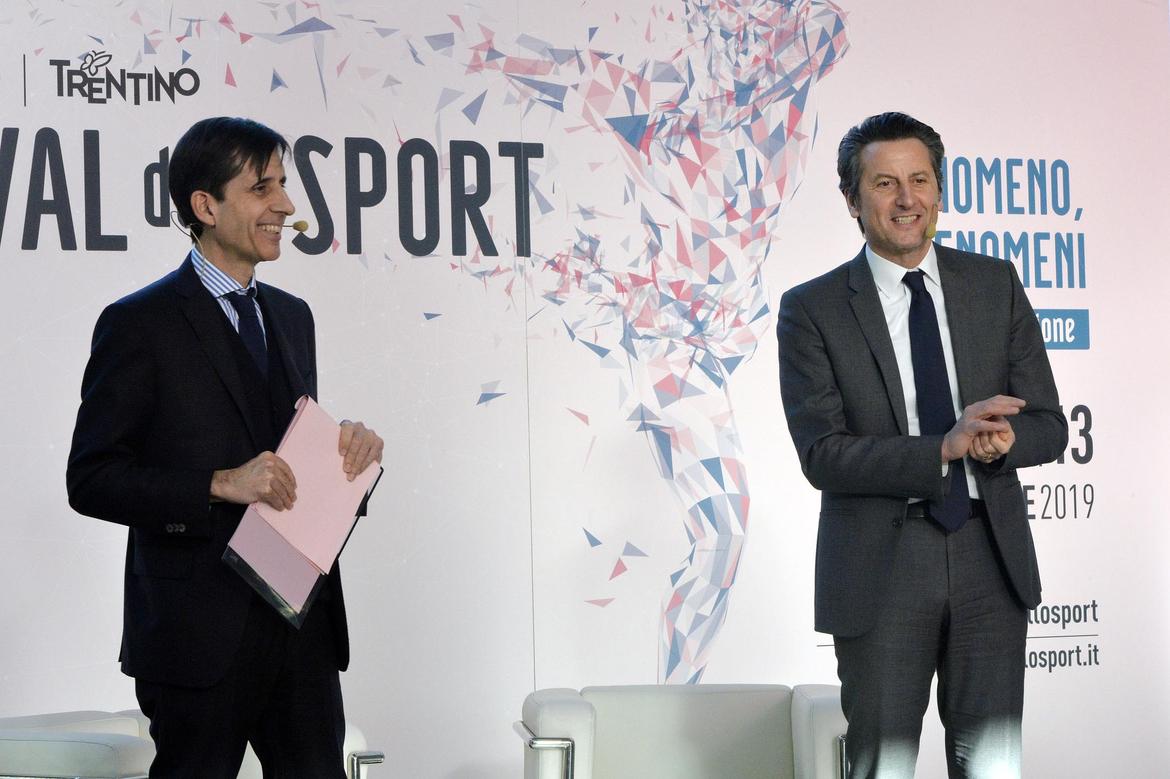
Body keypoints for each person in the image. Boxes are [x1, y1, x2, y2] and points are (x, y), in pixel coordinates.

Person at [66, 116, 383, 779]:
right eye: (262, 188)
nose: (286, 205)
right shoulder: (138, 323)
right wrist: (218, 482)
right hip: (195, 634)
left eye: (283, 185)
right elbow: (92, 477)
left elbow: (285, 460)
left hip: (301, 626)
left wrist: (346, 456)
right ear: (205, 207)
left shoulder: (292, 316)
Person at [777, 112, 1066, 778]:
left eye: (920, 180)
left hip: (990, 557)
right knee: (883, 765)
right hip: (882, 564)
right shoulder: (813, 308)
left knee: (992, 766)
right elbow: (823, 454)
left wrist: (999, 443)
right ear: (852, 199)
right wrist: (943, 447)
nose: (906, 199)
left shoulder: (995, 284)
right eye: (885, 183)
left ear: (939, 190)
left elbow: (1049, 423)